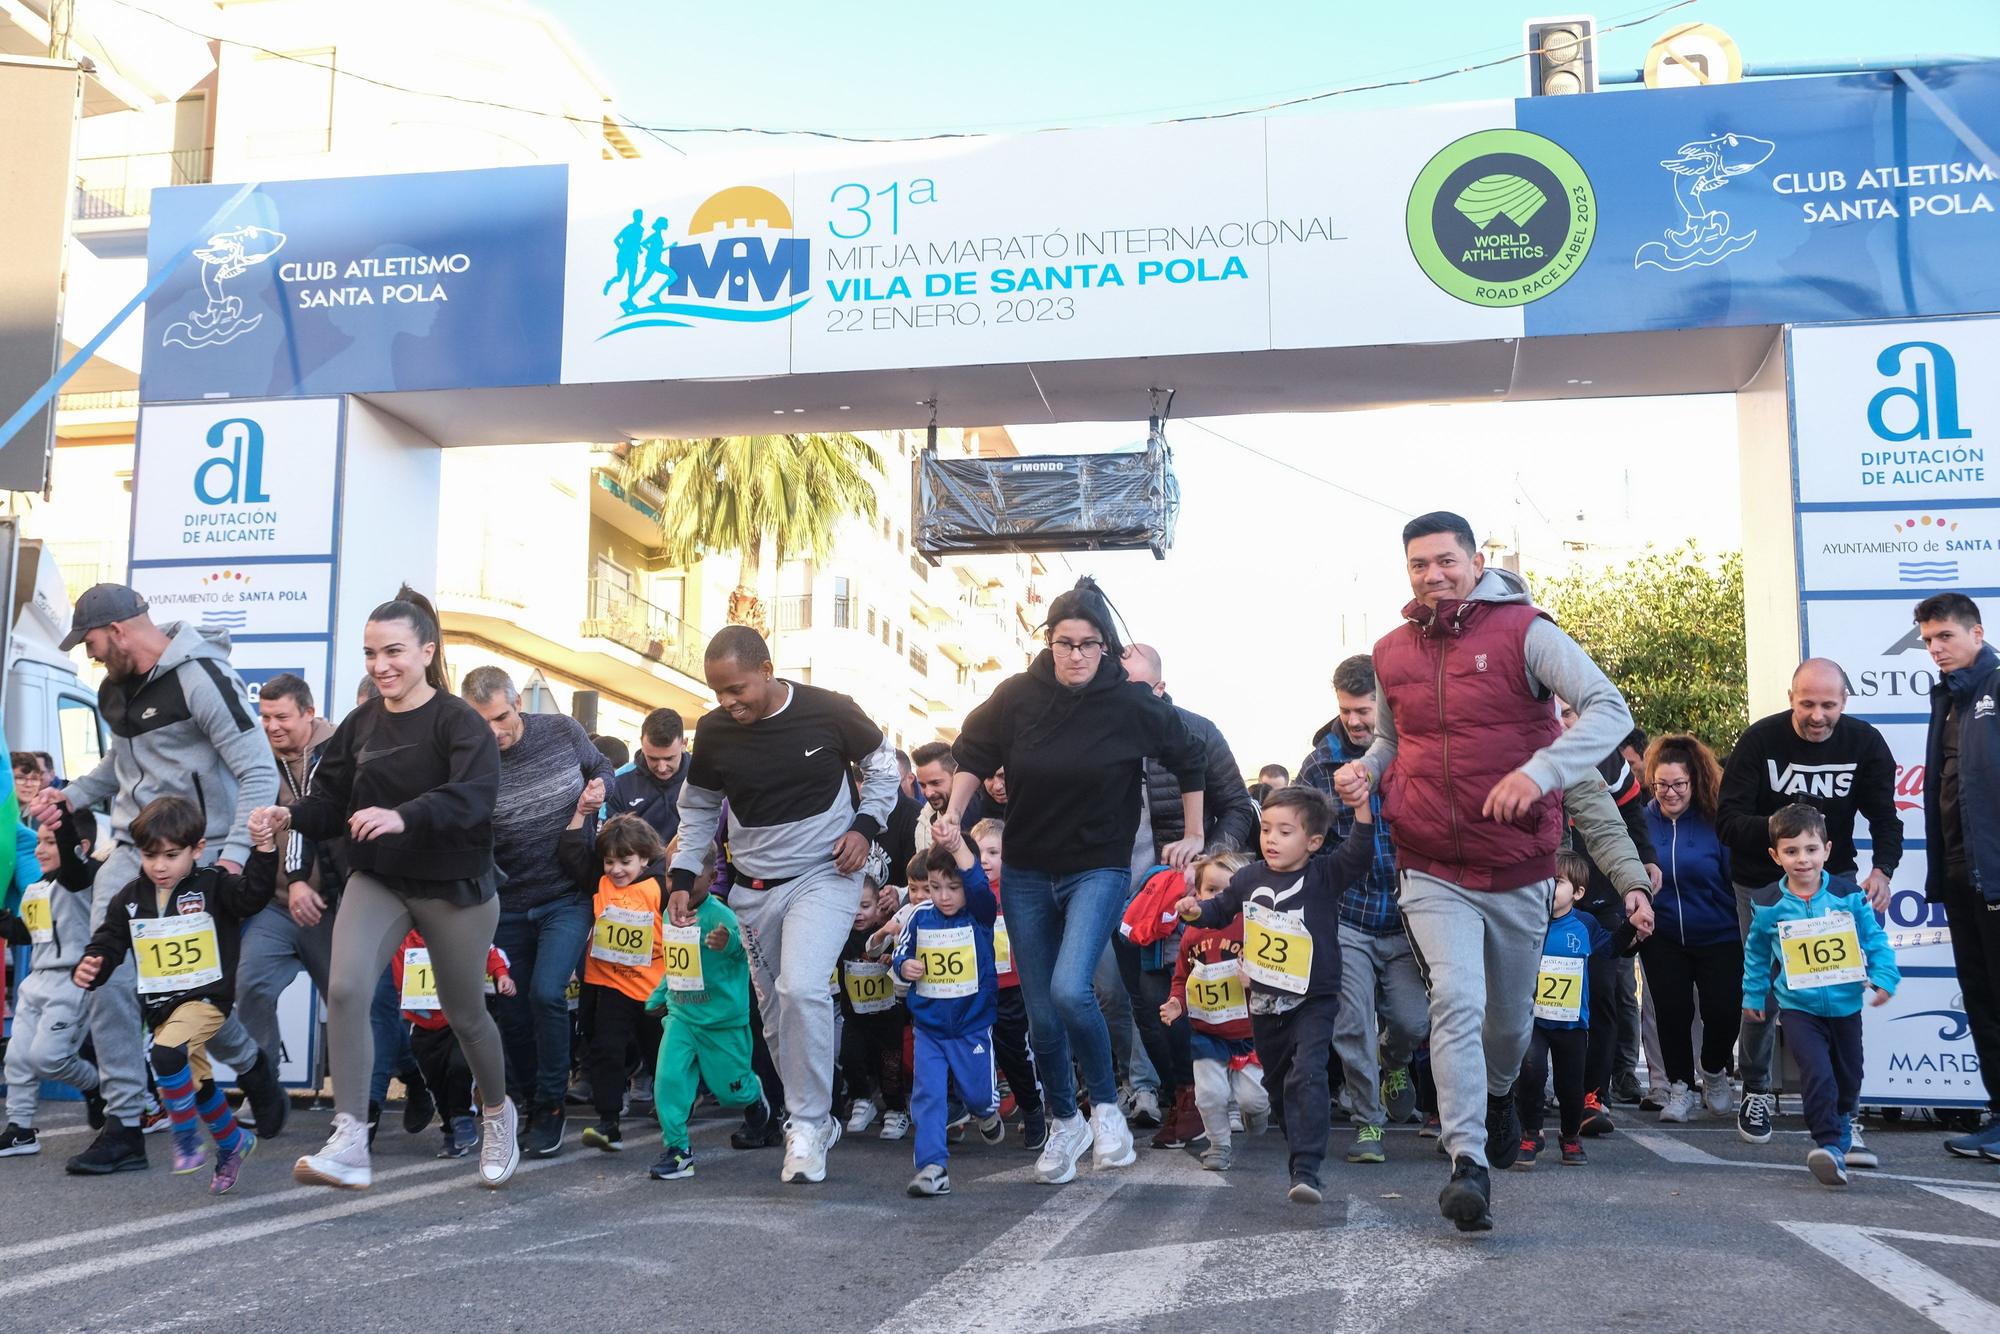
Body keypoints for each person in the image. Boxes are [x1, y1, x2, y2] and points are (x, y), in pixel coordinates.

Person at [1334, 511, 1636, 1234]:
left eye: (1445, 561)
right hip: (1431, 865)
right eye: (1418, 565)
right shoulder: (1390, 651)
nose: (1433, 575)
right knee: (1456, 1002)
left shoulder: (1527, 631)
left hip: (1518, 865)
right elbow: (1390, 739)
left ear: (1474, 561)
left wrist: (1540, 773)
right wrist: (1367, 771)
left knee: (1508, 1023)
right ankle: (1466, 1162)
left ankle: (1500, 1094)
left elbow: (1610, 710)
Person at [940, 577, 1206, 1186]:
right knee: (1040, 1015)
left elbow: (1191, 761)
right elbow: (973, 752)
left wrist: (1192, 833)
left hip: (1099, 867)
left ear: (1106, 648)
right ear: (1049, 643)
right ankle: (1067, 1122)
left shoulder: (1131, 702)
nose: (1076, 655)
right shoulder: (1017, 696)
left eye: (1089, 645)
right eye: (1065, 643)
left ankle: (1107, 1108)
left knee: (1069, 989)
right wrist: (954, 813)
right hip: (1029, 869)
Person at [256, 587, 519, 1191]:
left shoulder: (460, 723)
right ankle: (350, 1138)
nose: (380, 666)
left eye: (393, 651)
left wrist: (405, 814)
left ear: (427, 651)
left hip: (454, 884)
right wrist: (288, 816)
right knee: (345, 987)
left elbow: (474, 798)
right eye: (370, 653)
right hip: (379, 877)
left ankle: (499, 1114)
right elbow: (328, 803)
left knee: (463, 1012)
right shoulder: (359, 724)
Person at [31, 583, 286, 1176]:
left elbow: (256, 771)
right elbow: (117, 771)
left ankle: (249, 1066)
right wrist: (68, 799)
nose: (89, 653)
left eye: (90, 641)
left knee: (186, 990)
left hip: (201, 851)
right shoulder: (114, 688)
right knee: (106, 971)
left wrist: (231, 856)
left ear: (118, 631)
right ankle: (125, 1122)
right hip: (128, 851)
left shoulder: (202, 678)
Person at [669, 625, 898, 1185]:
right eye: (719, 693)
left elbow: (885, 768)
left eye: (738, 689)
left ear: (767, 670)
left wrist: (866, 826)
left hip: (826, 873)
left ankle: (809, 1122)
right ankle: (812, 1113)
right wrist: (679, 875)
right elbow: (698, 810)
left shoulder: (831, 710)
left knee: (801, 988)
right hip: (753, 889)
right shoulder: (717, 732)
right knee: (775, 1014)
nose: (729, 702)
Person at [1718, 658, 1902, 1145]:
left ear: (1844, 702)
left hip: (1833, 879)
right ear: (1790, 698)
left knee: (1837, 990)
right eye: (1807, 704)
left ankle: (1844, 1112)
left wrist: (1883, 869)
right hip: (1763, 885)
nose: (1817, 715)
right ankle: (1755, 1087)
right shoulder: (1761, 741)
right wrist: (1788, 830)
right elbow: (1728, 821)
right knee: (1763, 989)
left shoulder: (1864, 743)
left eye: (1828, 705)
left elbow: (1886, 816)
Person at [1177, 785, 1373, 1202]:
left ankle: (1306, 1169)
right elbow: (1221, 908)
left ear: (1314, 841)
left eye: (1285, 832)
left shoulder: (1322, 874)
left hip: (1313, 997)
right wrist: (1198, 910)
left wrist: (1362, 812)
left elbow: (1357, 856)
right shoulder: (1248, 877)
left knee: (1308, 1073)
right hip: (1265, 1001)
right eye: (1266, 829)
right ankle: (1294, 1133)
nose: (1271, 839)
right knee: (1281, 1083)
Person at [72, 797, 278, 1194]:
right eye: (151, 856)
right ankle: (234, 1142)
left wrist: (264, 851)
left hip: (205, 1000)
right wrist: (94, 962)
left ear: (197, 849)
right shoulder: (130, 897)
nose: (160, 866)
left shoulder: (213, 885)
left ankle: (186, 1137)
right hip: (162, 1006)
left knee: (165, 1055)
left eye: (171, 855)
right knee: (197, 1083)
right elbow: (110, 940)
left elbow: (252, 896)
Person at [461, 665, 618, 1157]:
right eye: (482, 722)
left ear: (518, 705)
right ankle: (528, 1101)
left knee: (549, 993)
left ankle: (552, 1104)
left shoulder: (562, 731)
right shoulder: (468, 759)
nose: (494, 731)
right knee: (512, 1010)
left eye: (501, 717)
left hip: (566, 896)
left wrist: (599, 791)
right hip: (505, 904)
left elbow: (604, 768)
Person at [1121, 642, 1258, 1146]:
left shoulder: (1195, 730)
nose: (1125, 697)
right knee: (1142, 1003)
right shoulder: (1098, 734)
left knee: (1179, 995)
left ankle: (1211, 1095)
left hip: (1187, 892)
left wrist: (1205, 865)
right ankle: (1182, 1091)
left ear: (1159, 688)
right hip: (1121, 893)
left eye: (1136, 687)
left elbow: (1239, 807)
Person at [1300, 653, 1427, 1162]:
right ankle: (1367, 1120)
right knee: (1350, 1022)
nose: (1355, 721)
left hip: (1407, 916)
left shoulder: (1410, 753)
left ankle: (1394, 1060)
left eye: (1365, 709)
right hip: (1346, 915)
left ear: (1386, 706)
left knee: (1413, 1023)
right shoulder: (1320, 762)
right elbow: (1306, 838)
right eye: (1346, 710)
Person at [1741, 804, 1899, 1187]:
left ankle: (1844, 1122)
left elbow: (1874, 939)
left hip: (1845, 1006)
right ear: (1775, 856)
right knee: (1816, 1074)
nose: (1802, 859)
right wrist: (1754, 995)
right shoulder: (1767, 905)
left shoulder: (1848, 895)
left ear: (1827, 850)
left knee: (1849, 1076)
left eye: (1810, 849)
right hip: (1798, 1008)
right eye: (1791, 851)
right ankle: (1828, 1144)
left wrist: (1884, 976)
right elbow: (1758, 954)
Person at [1913, 594, 2000, 1159]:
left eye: (1944, 636)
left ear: (1977, 631)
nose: (1935, 649)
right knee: (1983, 1003)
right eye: (1927, 640)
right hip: (1962, 875)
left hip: (1995, 876)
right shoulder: (1948, 697)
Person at [235, 673, 342, 1090]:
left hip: (333, 908)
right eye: (264, 717)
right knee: (251, 985)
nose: (272, 726)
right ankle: (264, 1091)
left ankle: (403, 1076)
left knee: (352, 1003)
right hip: (277, 905)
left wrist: (305, 881)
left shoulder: (337, 752)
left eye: (281, 717)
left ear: (309, 713)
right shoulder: (255, 759)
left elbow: (307, 819)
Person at [644, 848, 770, 1182]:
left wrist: (729, 943)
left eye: (689, 875)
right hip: (682, 1015)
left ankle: (753, 1096)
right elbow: (675, 963)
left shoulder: (722, 916)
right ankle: (678, 1152)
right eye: (672, 873)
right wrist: (658, 995)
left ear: (712, 878)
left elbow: (748, 953)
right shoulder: (672, 912)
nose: (677, 882)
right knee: (668, 1081)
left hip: (721, 1022)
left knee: (730, 1092)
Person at [1640, 734, 1743, 1124]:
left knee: (1723, 1010)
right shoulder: (1642, 820)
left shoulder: (1715, 819)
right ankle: (1681, 1086)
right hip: (1663, 934)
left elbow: (1735, 876)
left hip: (1719, 932)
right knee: (1671, 1012)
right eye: (1661, 784)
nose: (1669, 793)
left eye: (1678, 784)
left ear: (1694, 781)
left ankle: (1715, 1069)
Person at [896, 833, 1005, 1197]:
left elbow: (978, 886)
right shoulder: (919, 917)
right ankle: (932, 1167)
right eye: (935, 887)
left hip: (971, 1025)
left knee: (977, 1096)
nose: (943, 896)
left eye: (952, 887)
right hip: (929, 1025)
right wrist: (904, 966)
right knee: (927, 1094)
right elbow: (902, 953)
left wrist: (960, 850)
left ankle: (986, 1111)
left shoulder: (980, 913)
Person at [1516, 851, 1638, 1169]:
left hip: (1572, 1022)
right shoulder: (1525, 921)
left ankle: (1570, 1137)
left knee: (1570, 1086)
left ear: (1578, 892)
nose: (1547, 887)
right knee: (1531, 1071)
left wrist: (1632, 927)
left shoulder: (1584, 923)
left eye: (1556, 882)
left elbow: (1611, 948)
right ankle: (1531, 1133)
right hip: (1534, 1019)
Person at [0, 810, 103, 1156]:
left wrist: (60, 812)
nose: (40, 850)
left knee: (48, 1058)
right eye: (38, 841)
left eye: (50, 842)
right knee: (16, 1058)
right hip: (36, 983)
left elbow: (74, 868)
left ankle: (97, 1086)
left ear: (79, 846)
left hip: (72, 981)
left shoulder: (83, 879)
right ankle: (20, 1129)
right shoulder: (36, 887)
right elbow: (27, 934)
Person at [1160, 850, 1267, 1170]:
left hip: (1249, 1033)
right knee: (1209, 1095)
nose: (1220, 898)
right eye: (1211, 890)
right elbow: (1182, 977)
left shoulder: (1255, 929)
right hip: (1207, 1030)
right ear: (1197, 894)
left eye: (1228, 891)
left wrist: (1257, 981)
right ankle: (1219, 1144)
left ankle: (1257, 1113)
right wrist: (1176, 1002)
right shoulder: (1192, 935)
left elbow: (1279, 975)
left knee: (1254, 1098)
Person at [579, 814, 669, 1153]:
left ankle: (672, 1109)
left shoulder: (659, 888)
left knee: (659, 1054)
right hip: (610, 986)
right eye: (609, 862)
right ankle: (608, 1122)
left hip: (652, 990)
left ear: (645, 859)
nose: (616, 869)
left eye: (625, 862)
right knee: (607, 1049)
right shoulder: (600, 886)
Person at [394, 927, 516, 1158]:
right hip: (422, 1026)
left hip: (458, 1021)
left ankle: (462, 1117)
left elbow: (488, 949)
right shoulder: (399, 940)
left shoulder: (457, 930)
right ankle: (450, 1131)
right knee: (435, 1081)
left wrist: (502, 975)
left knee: (460, 1067)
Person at [971, 817, 1045, 1150]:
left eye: (993, 852)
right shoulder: (967, 890)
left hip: (1012, 986)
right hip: (972, 987)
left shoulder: (1017, 889)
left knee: (1014, 1051)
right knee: (971, 1049)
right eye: (979, 852)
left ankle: (1032, 1108)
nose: (985, 859)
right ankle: (975, 1108)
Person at [609, 709, 688, 847]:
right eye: (653, 758)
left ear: (684, 744)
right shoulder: (619, 782)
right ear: (641, 743)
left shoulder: (704, 777)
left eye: (669, 758)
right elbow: (609, 839)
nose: (662, 767)